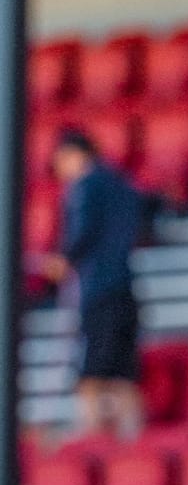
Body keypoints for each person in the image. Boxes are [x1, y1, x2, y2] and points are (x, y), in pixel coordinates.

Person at [46, 127, 148, 439]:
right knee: (123, 376)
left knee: (90, 377)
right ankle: (133, 442)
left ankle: (92, 444)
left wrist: (65, 258)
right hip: (124, 287)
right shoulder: (120, 183)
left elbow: (84, 229)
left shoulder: (85, 187)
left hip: (100, 291)